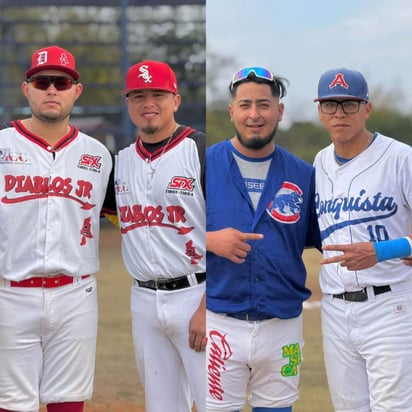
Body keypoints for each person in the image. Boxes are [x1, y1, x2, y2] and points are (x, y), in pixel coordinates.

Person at [0, 45, 112, 412]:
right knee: (12, 402)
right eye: (42, 81)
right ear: (26, 88)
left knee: (68, 401)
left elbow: (122, 216)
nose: (52, 90)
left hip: (75, 294)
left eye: (61, 82)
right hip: (10, 292)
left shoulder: (99, 155)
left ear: (75, 91)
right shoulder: (2, 146)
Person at [205, 67, 321, 412]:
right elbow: (165, 233)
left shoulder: (305, 174)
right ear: (232, 112)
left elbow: (328, 236)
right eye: (245, 105)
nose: (254, 115)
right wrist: (209, 240)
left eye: (263, 105)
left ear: (279, 111)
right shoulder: (202, 163)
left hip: (282, 325)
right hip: (219, 320)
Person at [313, 67, 412, 411]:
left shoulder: (401, 158)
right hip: (335, 310)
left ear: (366, 108)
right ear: (319, 110)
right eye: (330, 104)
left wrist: (384, 250)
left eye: (349, 104)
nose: (339, 113)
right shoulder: (319, 163)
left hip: (390, 306)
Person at [114, 60, 206, 412]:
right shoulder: (119, 163)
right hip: (143, 299)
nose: (147, 102)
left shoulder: (200, 152)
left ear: (176, 100)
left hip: (197, 292)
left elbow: (228, 236)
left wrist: (207, 306)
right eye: (138, 95)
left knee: (215, 401)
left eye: (158, 94)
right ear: (128, 103)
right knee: (162, 405)